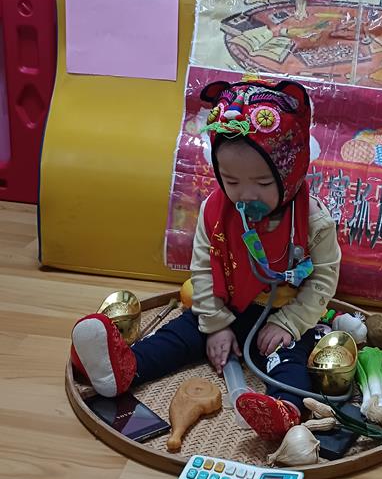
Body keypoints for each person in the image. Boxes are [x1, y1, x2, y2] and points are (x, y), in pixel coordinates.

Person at [70, 78, 341, 441]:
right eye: (231, 181)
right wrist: (214, 323)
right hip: (224, 304)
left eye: (263, 183)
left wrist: (289, 324)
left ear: (290, 172)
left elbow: (323, 279)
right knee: (179, 335)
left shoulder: (313, 222)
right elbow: (202, 267)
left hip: (279, 315)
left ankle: (285, 409)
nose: (245, 194)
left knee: (289, 360)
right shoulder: (215, 210)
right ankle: (124, 368)